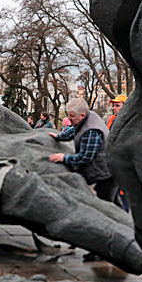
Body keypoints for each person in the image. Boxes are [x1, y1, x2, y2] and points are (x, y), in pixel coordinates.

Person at [49, 98, 121, 262]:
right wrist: (60, 136)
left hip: (105, 174)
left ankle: (102, 250)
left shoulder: (91, 131)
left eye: (71, 116)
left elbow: (85, 157)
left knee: (104, 213)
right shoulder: (88, 118)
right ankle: (130, 237)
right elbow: (74, 129)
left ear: (82, 115)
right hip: (108, 170)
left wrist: (64, 158)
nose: (69, 118)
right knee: (116, 208)